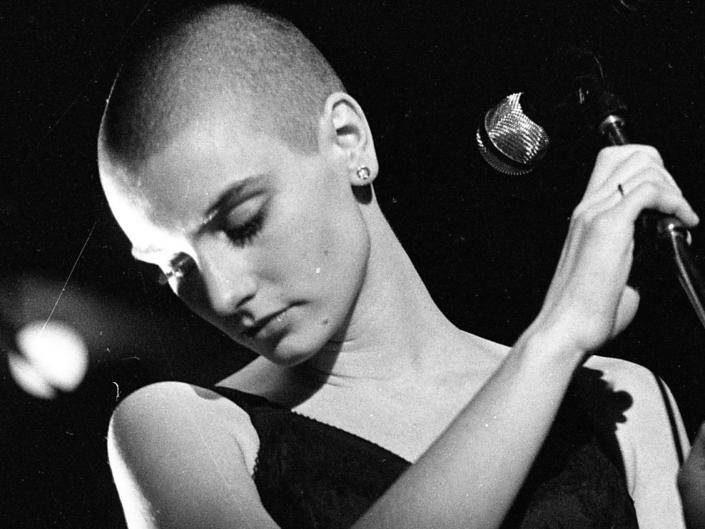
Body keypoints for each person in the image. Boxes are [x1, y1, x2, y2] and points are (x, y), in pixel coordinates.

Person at [98, 3, 700, 528]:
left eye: (243, 221)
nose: (224, 294)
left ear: (348, 139)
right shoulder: (178, 430)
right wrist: (552, 340)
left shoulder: (618, 399)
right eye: (174, 267)